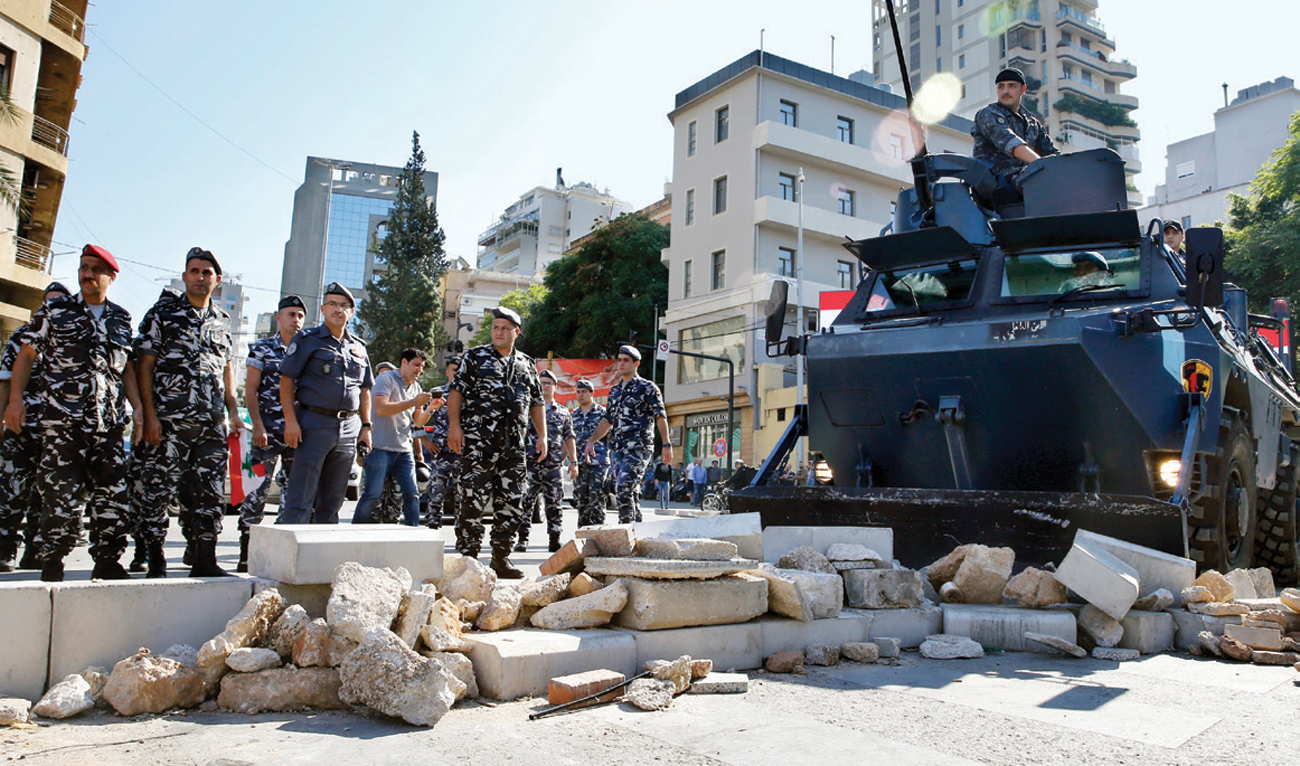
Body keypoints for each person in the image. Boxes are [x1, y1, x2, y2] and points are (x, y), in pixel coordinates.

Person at [4, 245, 141, 581]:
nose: (87, 273)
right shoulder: (56, 311)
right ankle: (52, 562)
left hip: (107, 425)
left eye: (95, 269)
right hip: (63, 423)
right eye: (83, 267)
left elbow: (126, 370)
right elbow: (26, 356)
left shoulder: (120, 319)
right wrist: (15, 400)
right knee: (59, 497)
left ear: (111, 277)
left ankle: (108, 561)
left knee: (113, 498)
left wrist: (138, 409)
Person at [134, 247, 242, 577]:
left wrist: (233, 412)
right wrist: (149, 416)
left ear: (217, 280)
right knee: (158, 489)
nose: (200, 277)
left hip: (210, 423)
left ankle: (205, 558)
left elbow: (227, 372)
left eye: (206, 272)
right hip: (169, 421)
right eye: (194, 271)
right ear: (185, 277)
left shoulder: (222, 321)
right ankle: (155, 558)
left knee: (209, 492)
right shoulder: (163, 315)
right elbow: (145, 366)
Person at [447, 306, 544, 578]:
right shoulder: (475, 357)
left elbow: (537, 402)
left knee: (512, 502)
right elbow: (456, 392)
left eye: (504, 328)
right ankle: (469, 559)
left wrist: (543, 436)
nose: (498, 332)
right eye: (495, 328)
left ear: (516, 332)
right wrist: (455, 427)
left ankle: (501, 558)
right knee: (472, 501)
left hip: (514, 446)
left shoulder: (526, 363)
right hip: (479, 444)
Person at [278, 283, 374, 525]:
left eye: (344, 305)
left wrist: (366, 426)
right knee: (301, 497)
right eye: (332, 304)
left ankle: (320, 558)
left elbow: (365, 391)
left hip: (348, 427)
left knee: (333, 500)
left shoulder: (359, 347)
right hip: (313, 424)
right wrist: (290, 421)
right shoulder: (307, 340)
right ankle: (290, 560)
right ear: (323, 308)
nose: (338, 309)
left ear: (351, 311)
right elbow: (287, 381)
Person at [0, 281, 70, 572]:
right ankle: (4, 550)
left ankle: (35, 550)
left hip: (57, 429)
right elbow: (5, 380)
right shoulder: (22, 336)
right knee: (11, 490)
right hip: (22, 425)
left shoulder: (72, 339)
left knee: (48, 494)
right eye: (47, 302)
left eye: (58, 303)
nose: (50, 308)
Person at [235, 294, 306, 571]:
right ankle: (247, 551)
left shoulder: (306, 350)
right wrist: (258, 426)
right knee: (256, 493)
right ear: (279, 317)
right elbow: (250, 390)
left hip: (296, 434)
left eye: (300, 316)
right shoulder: (263, 349)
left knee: (293, 496)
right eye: (291, 314)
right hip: (266, 433)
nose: (296, 320)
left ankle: (280, 552)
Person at [583, 345, 671, 524]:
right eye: (620, 360)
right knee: (630, 492)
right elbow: (607, 420)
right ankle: (637, 530)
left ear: (636, 364)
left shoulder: (647, 388)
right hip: (617, 449)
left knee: (623, 487)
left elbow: (660, 416)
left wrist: (667, 444)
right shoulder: (615, 391)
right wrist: (591, 441)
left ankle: (625, 530)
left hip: (638, 447)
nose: (621, 364)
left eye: (626, 360)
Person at [353, 348, 433, 526]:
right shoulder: (385, 379)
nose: (419, 370)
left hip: (404, 450)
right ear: (403, 362)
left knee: (412, 494)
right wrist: (413, 402)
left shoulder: (416, 387)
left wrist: (430, 408)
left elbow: (417, 422)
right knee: (373, 494)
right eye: (416, 365)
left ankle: (414, 534)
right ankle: (356, 532)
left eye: (422, 366)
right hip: (380, 448)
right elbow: (381, 409)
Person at [516, 369, 576, 553]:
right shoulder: (527, 410)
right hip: (530, 464)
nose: (545, 386)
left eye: (549, 383)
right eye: (542, 383)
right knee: (526, 502)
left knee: (555, 504)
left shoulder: (564, 412)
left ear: (555, 387)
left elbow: (569, 437)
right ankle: (523, 538)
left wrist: (572, 461)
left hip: (553, 466)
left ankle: (554, 538)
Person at [971, 67, 1059, 190]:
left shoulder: (1032, 123)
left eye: (1012, 86)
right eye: (1001, 87)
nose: (1005, 91)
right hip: (995, 183)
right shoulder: (988, 114)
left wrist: (1061, 170)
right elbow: (1009, 142)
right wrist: (1041, 166)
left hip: (1025, 179)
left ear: (1022, 89)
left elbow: (1052, 154)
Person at [421, 356, 460, 529]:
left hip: (461, 451)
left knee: (463, 493)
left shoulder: (469, 395)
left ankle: (462, 530)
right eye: (453, 369)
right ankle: (433, 524)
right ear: (447, 372)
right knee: (436, 491)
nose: (456, 373)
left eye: (459, 370)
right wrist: (425, 441)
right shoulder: (437, 393)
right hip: (441, 451)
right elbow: (418, 419)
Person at [569, 379, 609, 527]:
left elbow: (612, 436)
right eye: (578, 392)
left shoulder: (603, 414)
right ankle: (583, 532)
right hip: (580, 464)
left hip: (598, 463)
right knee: (582, 499)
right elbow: (569, 440)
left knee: (597, 498)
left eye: (584, 392)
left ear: (592, 393)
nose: (580, 395)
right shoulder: (573, 416)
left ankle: (598, 532)